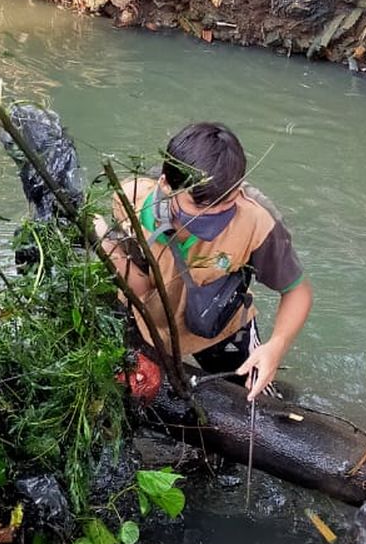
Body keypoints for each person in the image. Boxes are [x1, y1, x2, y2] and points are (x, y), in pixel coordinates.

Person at [101, 122, 313, 400]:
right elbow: (138, 286)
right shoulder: (131, 199)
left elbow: (297, 290)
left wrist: (277, 346)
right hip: (147, 322)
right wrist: (102, 242)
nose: (214, 217)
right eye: (200, 207)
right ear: (166, 186)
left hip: (219, 328)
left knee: (261, 402)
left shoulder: (257, 223)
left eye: (226, 204)